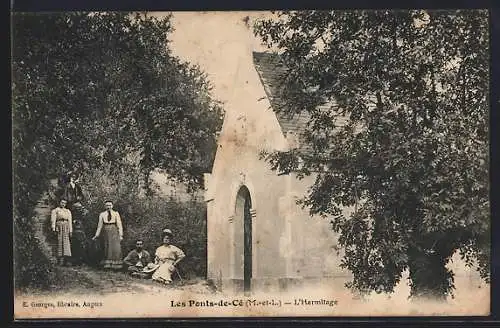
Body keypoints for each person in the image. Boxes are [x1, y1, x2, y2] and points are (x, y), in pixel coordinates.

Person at [92, 200, 123, 270]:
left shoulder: (116, 213)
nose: (108, 207)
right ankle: (107, 265)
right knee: (107, 247)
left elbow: (119, 224)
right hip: (105, 231)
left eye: (110, 205)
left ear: (112, 206)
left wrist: (120, 235)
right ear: (105, 206)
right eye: (107, 205)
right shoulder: (102, 214)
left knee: (115, 248)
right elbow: (99, 226)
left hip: (114, 231)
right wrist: (96, 235)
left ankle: (115, 266)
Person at [50, 198, 72, 266]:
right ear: (59, 202)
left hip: (66, 226)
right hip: (59, 226)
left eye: (64, 203)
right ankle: (60, 260)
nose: (63, 204)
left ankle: (67, 260)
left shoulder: (68, 211)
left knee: (66, 242)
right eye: (62, 202)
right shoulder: (56, 210)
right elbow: (53, 220)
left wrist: (70, 231)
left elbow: (70, 221)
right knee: (60, 242)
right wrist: (53, 228)